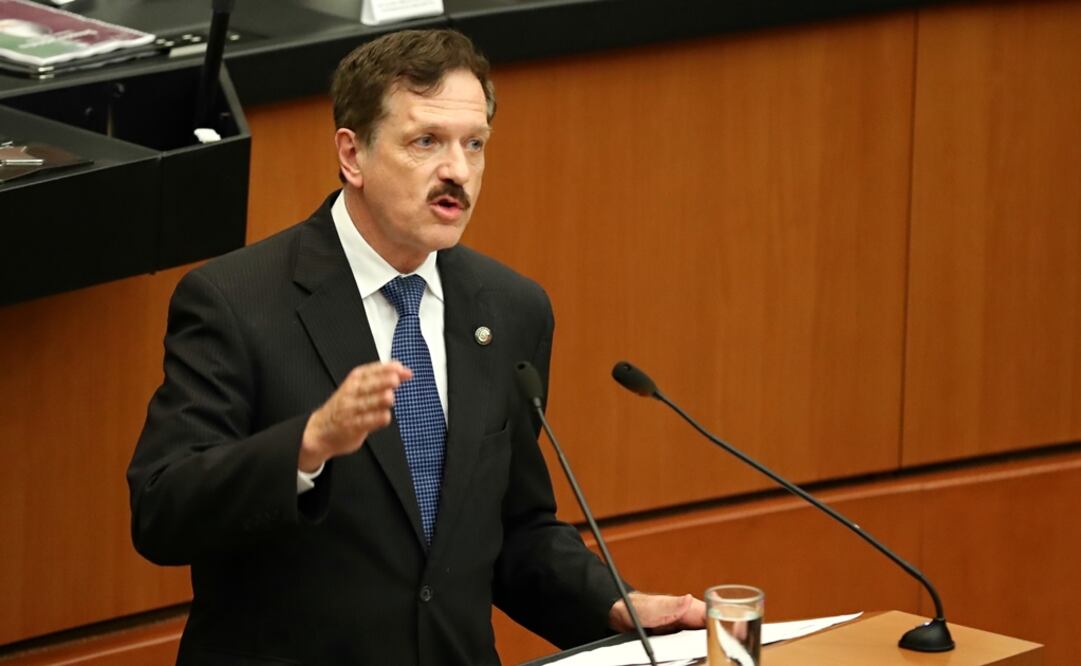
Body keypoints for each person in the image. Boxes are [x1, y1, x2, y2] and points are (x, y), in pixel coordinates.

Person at [128, 28, 703, 666]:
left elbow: (514, 531)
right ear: (352, 154)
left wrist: (612, 603)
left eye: (474, 144)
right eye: (426, 142)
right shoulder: (237, 300)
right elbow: (162, 507)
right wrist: (308, 444)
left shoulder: (511, 308)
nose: (457, 170)